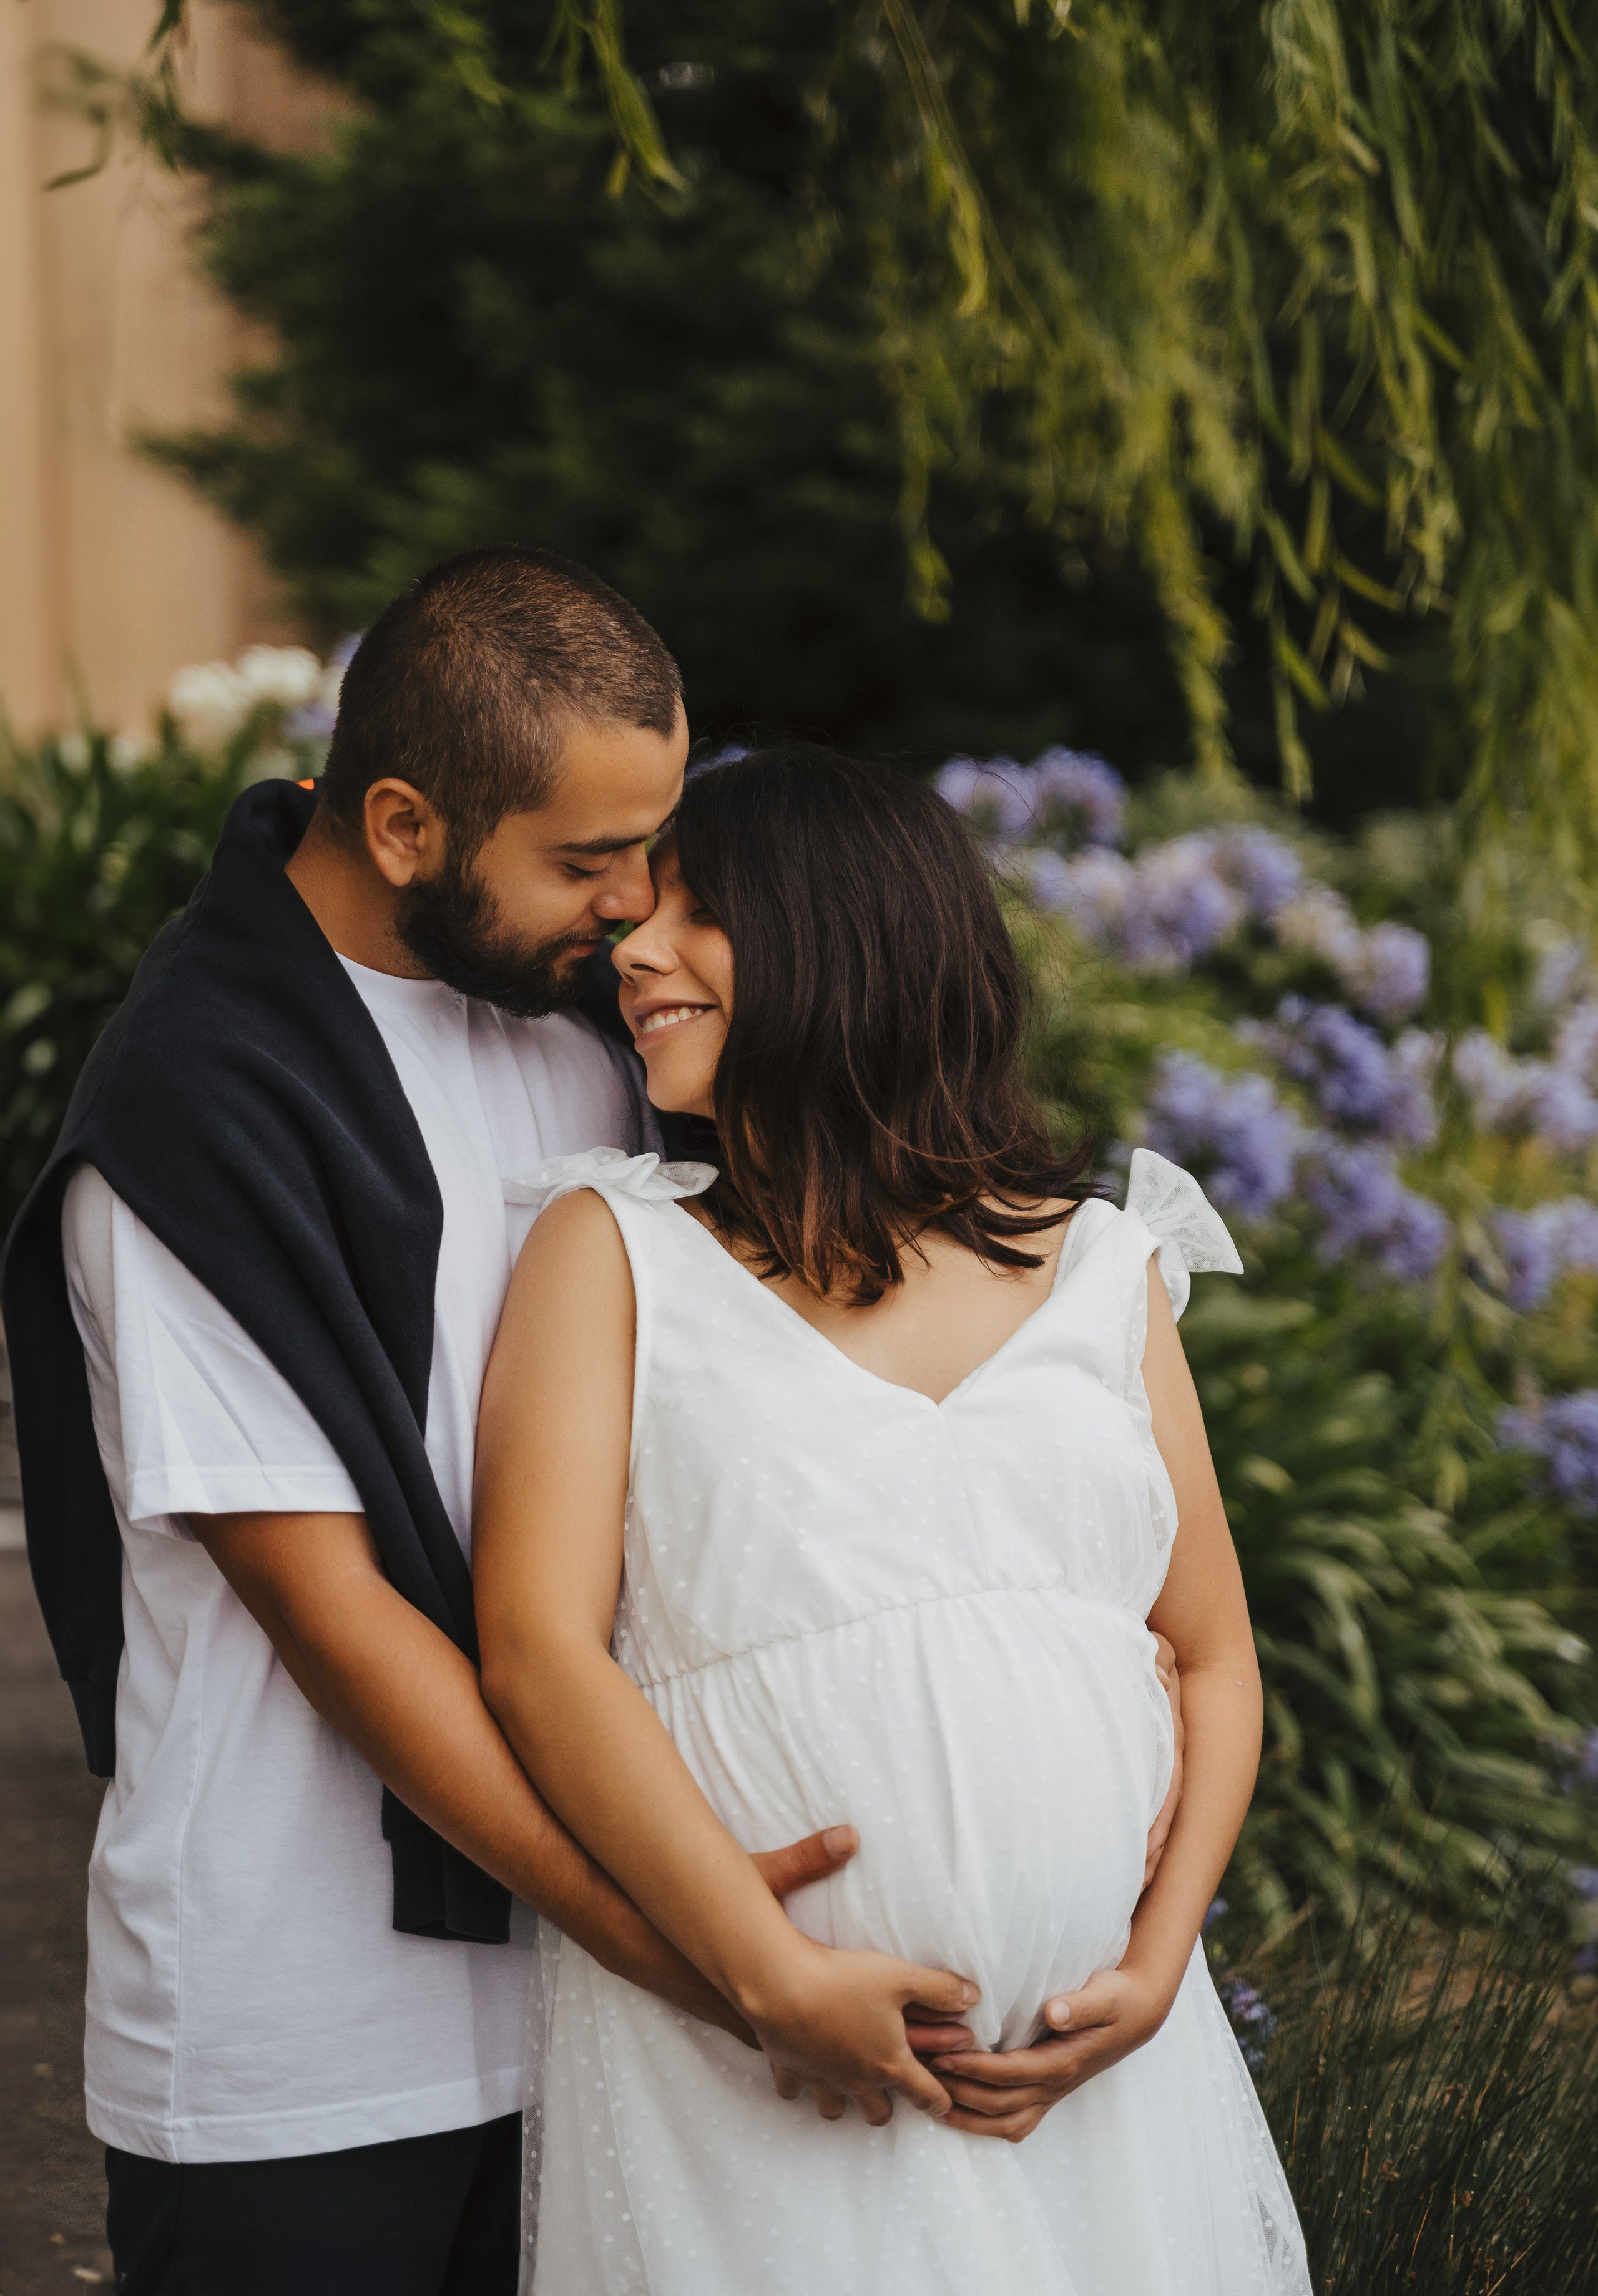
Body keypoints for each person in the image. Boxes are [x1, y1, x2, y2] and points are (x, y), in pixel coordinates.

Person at [1, 552, 866, 2296]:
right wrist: (702, 1950)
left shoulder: (601, 1036)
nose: (634, 908)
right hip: (304, 2049)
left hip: (596, 2035)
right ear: (402, 824)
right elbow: (337, 1624)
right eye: (584, 861)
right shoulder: (196, 1114)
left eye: (653, 847)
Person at [473, 746, 1311, 2295]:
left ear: (840, 940)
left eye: (695, 912)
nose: (632, 949)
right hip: (763, 2075)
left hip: (1099, 2096)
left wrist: (1151, 1964)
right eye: (638, 916)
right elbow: (535, 1651)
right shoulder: (611, 1251)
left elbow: (1207, 1656)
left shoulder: (1103, 1269)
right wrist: (766, 1967)